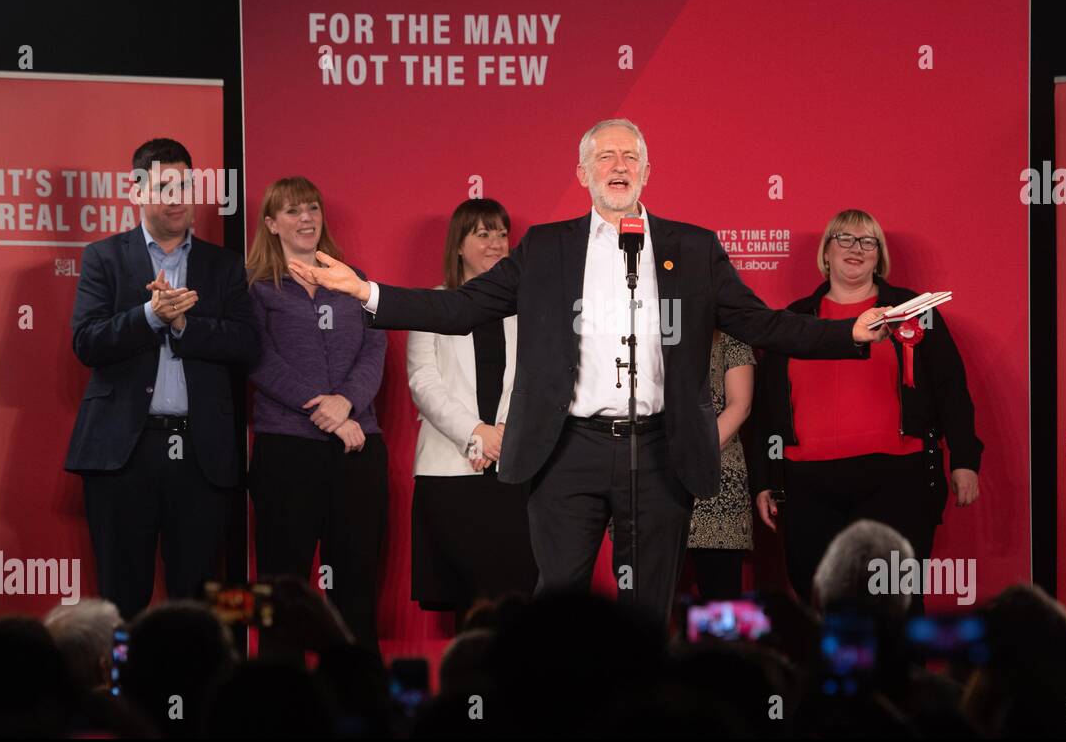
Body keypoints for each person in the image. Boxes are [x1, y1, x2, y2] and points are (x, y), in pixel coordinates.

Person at [289, 119, 890, 628]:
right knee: (558, 608)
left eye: (630, 156)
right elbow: (462, 308)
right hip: (567, 450)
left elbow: (761, 325)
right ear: (583, 175)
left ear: (647, 173)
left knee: (649, 610)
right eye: (605, 156)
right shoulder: (546, 250)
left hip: (659, 450)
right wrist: (367, 292)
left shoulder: (695, 248)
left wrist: (849, 331)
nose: (618, 164)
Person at [748, 208, 982, 612]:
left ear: (879, 255)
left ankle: (901, 677)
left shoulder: (915, 310)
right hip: (806, 481)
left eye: (868, 241)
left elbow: (950, 389)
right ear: (826, 253)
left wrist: (964, 459)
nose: (856, 249)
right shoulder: (794, 320)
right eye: (845, 239)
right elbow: (768, 406)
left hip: (896, 478)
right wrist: (765, 480)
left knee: (895, 602)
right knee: (816, 598)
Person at [65, 138, 258, 620]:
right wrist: (149, 316)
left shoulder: (224, 264)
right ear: (136, 190)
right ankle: (120, 693)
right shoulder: (103, 258)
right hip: (123, 453)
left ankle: (190, 696)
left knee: (198, 604)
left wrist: (184, 326)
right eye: (165, 185)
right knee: (119, 597)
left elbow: (246, 344)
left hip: (201, 455)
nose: (178, 197)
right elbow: (86, 342)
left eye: (186, 185)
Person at [245, 177, 388, 653]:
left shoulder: (352, 280)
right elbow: (258, 359)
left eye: (311, 209)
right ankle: (277, 699)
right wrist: (324, 409)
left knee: (357, 584)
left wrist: (346, 404)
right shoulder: (256, 288)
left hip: (357, 446)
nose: (305, 219)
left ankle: (356, 702)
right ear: (271, 224)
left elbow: (374, 347)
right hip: (286, 450)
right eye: (291, 212)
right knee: (279, 586)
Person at [405, 199, 537, 615]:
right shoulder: (433, 304)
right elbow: (424, 382)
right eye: (484, 234)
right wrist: (477, 434)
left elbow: (537, 382)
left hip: (514, 472)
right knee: (465, 600)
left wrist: (502, 436)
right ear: (459, 245)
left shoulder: (529, 309)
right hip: (450, 472)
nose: (497, 244)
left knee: (516, 598)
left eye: (502, 233)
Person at [684, 331, 756, 600]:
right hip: (656, 477)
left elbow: (740, 405)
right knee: (646, 598)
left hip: (718, 480)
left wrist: (690, 457)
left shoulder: (731, 335)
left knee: (721, 600)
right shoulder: (647, 329)